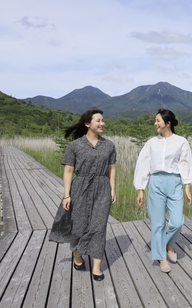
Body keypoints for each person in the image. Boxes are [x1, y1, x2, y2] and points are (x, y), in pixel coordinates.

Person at [49, 108, 116, 281]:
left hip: (102, 188)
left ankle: (96, 266)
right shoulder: (75, 146)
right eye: (98, 121)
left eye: (103, 120)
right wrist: (66, 195)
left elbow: (112, 169)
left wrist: (112, 189)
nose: (102, 123)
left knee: (98, 227)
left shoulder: (109, 145)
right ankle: (77, 255)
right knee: (78, 225)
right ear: (88, 124)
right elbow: (68, 171)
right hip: (80, 188)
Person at [134, 109, 192, 273]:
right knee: (158, 223)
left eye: (158, 120)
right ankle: (161, 257)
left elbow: (185, 164)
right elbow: (143, 164)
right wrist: (141, 188)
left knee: (177, 221)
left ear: (168, 123)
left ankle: (168, 243)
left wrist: (187, 186)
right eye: (155, 120)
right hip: (156, 182)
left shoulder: (181, 142)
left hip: (174, 182)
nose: (155, 123)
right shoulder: (152, 142)